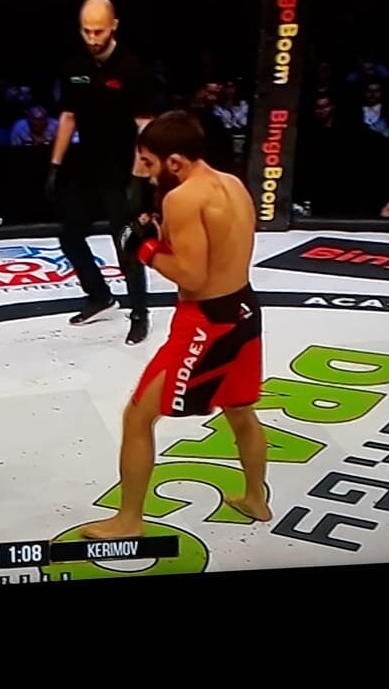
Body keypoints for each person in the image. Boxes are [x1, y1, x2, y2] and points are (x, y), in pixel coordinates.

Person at [81, 110, 271, 539]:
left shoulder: (183, 198)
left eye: (150, 163)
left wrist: (145, 249)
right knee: (240, 410)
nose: (148, 174)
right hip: (244, 308)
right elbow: (218, 250)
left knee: (137, 417)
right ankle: (255, 499)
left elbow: (192, 275)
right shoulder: (233, 184)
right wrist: (160, 234)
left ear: (175, 161)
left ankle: (129, 520)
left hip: (206, 323)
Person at [46, 0, 161, 345]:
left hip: (122, 166)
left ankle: (139, 312)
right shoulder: (74, 64)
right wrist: (55, 164)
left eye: (98, 31)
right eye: (86, 31)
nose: (92, 38)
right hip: (86, 164)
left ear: (114, 26)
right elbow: (68, 116)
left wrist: (139, 179)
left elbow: (144, 127)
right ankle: (99, 295)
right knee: (69, 234)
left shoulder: (132, 68)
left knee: (126, 241)